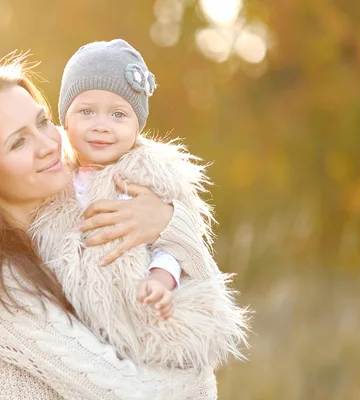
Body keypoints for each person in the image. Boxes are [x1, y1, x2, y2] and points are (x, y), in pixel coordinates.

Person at [0, 58, 220, 399]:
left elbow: (204, 319)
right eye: (18, 142)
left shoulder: (73, 236)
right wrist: (199, 374)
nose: (48, 144)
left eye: (42, 122)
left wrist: (169, 223)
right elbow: (136, 393)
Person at [31, 39, 249, 370]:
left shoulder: (145, 178)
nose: (101, 125)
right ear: (65, 119)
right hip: (80, 327)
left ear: (138, 126)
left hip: (138, 314)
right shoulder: (54, 181)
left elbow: (173, 244)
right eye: (86, 111)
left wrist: (160, 281)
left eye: (119, 114)